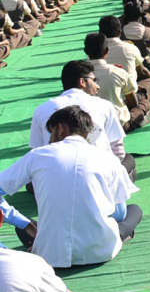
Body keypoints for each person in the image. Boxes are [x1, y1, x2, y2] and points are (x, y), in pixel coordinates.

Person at [0, 106, 141, 268]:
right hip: (100, 251)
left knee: (26, 226)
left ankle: (43, 238)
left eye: (50, 134)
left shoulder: (37, 155)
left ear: (60, 128)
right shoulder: (107, 158)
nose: (50, 141)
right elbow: (119, 213)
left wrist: (24, 223)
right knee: (134, 210)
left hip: (50, 255)